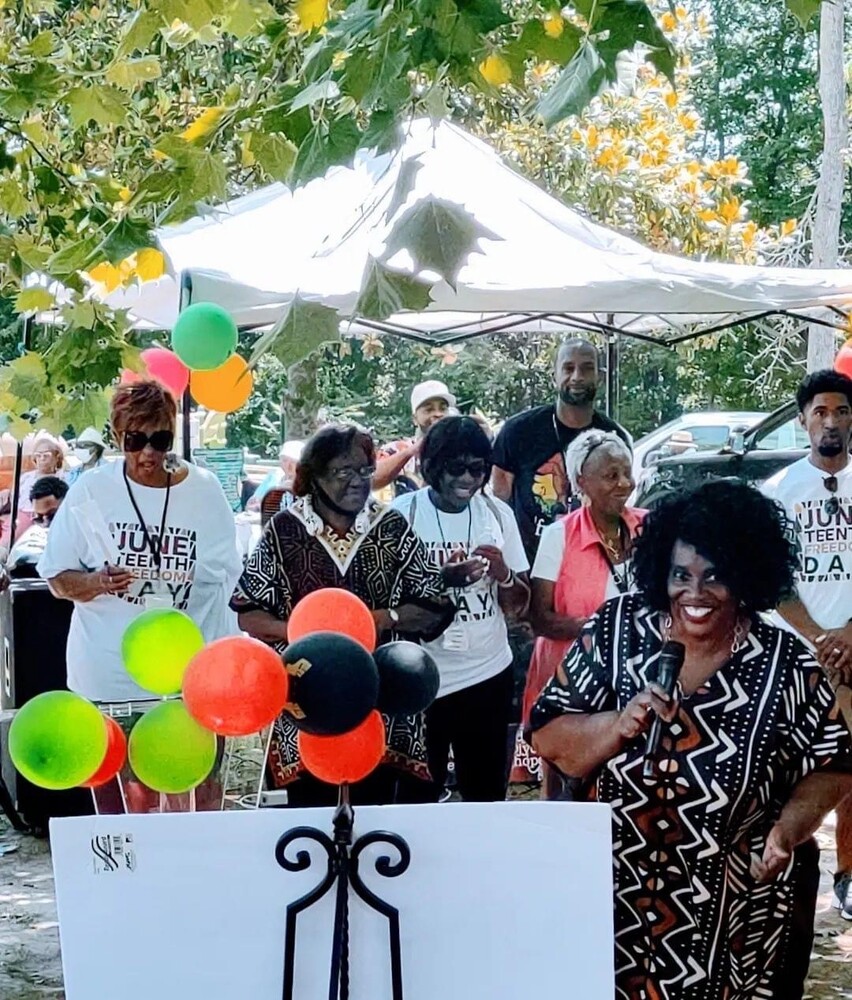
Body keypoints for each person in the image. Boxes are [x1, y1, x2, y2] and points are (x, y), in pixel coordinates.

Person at [530, 480, 852, 1000]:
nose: (695, 594)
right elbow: (548, 734)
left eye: (715, 577)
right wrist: (616, 725)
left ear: (747, 576)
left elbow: (836, 760)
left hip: (732, 921)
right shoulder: (617, 632)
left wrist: (788, 832)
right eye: (681, 575)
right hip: (610, 904)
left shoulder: (784, 664)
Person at [38, 379, 243, 811]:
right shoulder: (92, 491)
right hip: (111, 678)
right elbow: (57, 577)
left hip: (187, 679)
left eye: (159, 440)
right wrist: (97, 582)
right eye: (135, 440)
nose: (148, 452)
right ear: (117, 437)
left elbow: (229, 580)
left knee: (196, 804)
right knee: (124, 815)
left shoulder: (204, 490)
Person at [230, 423, 457, 807]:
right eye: (343, 471)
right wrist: (309, 632)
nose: (357, 481)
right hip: (305, 704)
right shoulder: (285, 530)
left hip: (381, 704)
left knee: (377, 830)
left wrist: (382, 619)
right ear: (314, 476)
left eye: (364, 470)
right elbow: (249, 614)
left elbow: (433, 607)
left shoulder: (391, 527)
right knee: (309, 830)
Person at [392, 416, 530, 802]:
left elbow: (519, 607)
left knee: (485, 792)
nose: (468, 479)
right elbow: (383, 599)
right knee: (417, 793)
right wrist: (440, 580)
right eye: (456, 468)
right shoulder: (403, 515)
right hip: (421, 675)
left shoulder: (497, 514)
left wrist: (503, 574)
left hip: (488, 672)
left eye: (477, 469)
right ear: (433, 466)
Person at [762, 368, 852, 919]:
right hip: (798, 650)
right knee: (790, 765)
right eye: (820, 411)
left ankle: (850, 874)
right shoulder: (777, 492)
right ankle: (787, 861)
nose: (831, 421)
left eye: (841, 411)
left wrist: (849, 635)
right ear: (802, 421)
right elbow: (772, 583)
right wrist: (821, 638)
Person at [524, 430, 644, 796]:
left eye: (627, 472)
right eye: (610, 475)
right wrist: (604, 630)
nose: (624, 483)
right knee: (568, 787)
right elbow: (540, 618)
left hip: (633, 682)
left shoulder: (649, 528)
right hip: (571, 684)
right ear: (581, 482)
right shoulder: (559, 535)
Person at [492, 338, 631, 561]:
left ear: (600, 376)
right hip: (528, 567)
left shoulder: (614, 439)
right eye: (568, 368)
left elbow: (617, 507)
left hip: (589, 565)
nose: (577, 377)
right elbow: (498, 506)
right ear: (554, 377)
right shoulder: (518, 431)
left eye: (587, 368)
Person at [374, 379, 456, 496]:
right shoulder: (396, 449)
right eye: (429, 410)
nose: (438, 414)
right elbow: (371, 481)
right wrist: (411, 452)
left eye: (443, 409)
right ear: (415, 419)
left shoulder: (461, 451)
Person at [0, 476, 69, 590]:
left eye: (52, 516)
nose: (46, 524)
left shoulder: (83, 536)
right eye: (39, 518)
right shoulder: (33, 534)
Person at [247, 440, 304, 512]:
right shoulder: (275, 477)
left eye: (293, 462)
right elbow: (252, 503)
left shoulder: (306, 485)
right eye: (285, 460)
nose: (288, 466)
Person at [18, 433, 65, 514]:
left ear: (56, 457)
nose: (42, 458)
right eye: (38, 455)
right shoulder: (26, 477)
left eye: (46, 455)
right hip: (22, 516)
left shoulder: (63, 477)